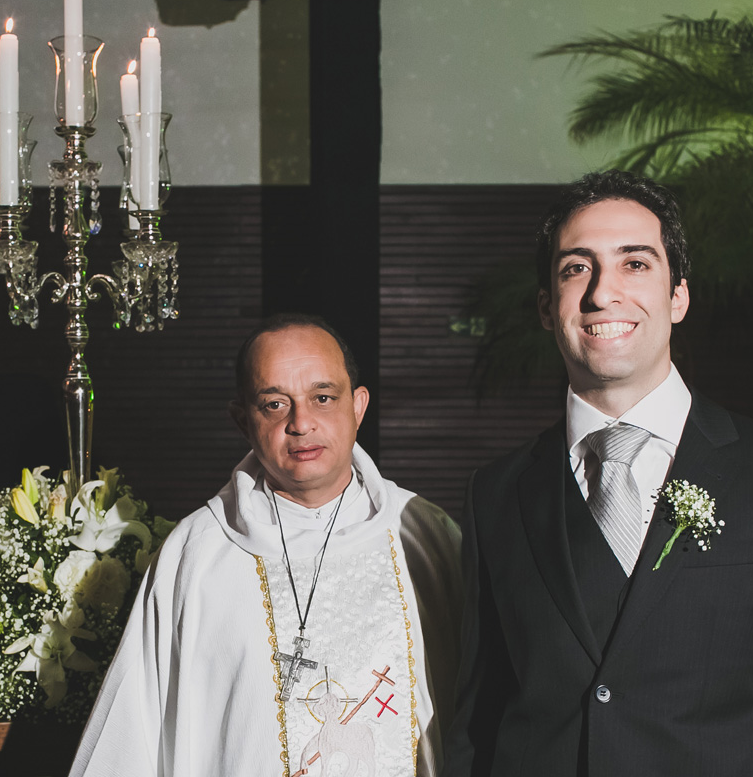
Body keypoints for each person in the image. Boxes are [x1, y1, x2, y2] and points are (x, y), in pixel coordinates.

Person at [443, 170, 753, 776]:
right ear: (545, 307)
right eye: (576, 268)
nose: (603, 292)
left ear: (678, 297)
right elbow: (478, 721)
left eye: (635, 263)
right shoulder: (497, 494)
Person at [70, 313, 462, 777]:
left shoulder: (424, 533)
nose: (301, 423)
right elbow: (132, 736)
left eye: (322, 398)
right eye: (274, 405)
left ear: (358, 406)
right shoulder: (196, 553)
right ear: (243, 420)